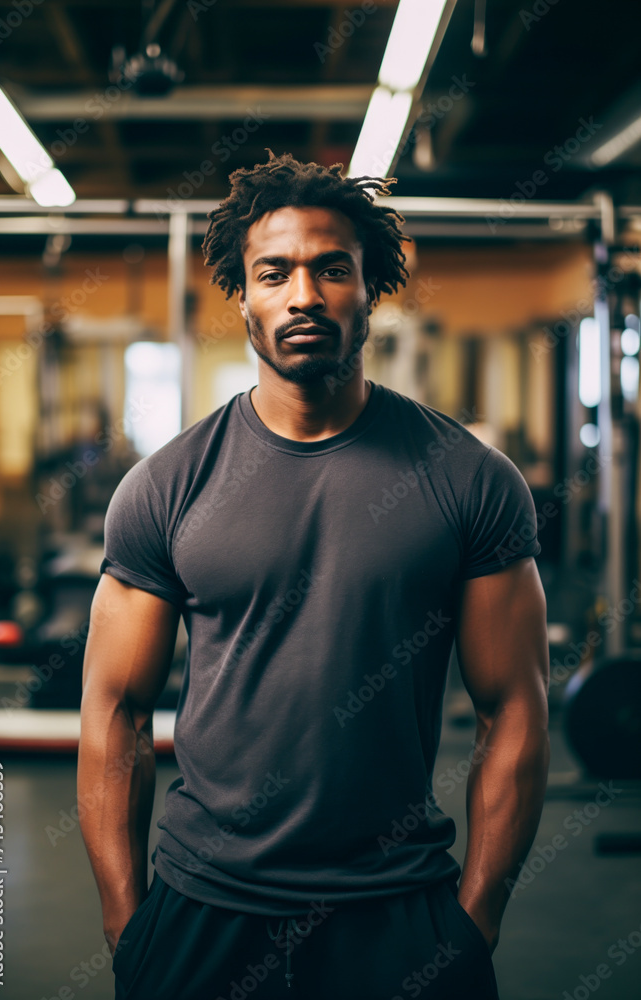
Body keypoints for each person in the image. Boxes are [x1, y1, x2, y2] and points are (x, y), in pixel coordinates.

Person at [78, 151, 550, 1000]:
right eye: (275, 273)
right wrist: (128, 924)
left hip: (400, 912)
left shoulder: (468, 479)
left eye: (332, 269)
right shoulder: (165, 486)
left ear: (370, 290)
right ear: (243, 296)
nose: (304, 295)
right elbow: (114, 713)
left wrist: (473, 920)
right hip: (201, 909)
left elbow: (513, 708)